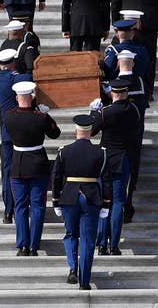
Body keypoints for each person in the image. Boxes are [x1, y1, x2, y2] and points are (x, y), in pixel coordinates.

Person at [51, 114, 111, 290]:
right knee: (87, 240)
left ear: (75, 131)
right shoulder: (101, 153)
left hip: (69, 196)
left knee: (70, 234)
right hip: (91, 197)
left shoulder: (64, 151)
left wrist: (55, 201)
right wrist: (106, 203)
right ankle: (84, 282)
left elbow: (55, 177)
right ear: (91, 132)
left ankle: (72, 268)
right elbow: (106, 180)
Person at [4, 81, 61, 256]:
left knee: (20, 206)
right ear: (33, 96)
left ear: (16, 97)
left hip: (18, 165)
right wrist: (46, 114)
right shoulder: (41, 118)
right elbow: (55, 133)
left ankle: (22, 245)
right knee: (37, 206)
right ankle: (33, 246)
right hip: (38, 165)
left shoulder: (9, 116)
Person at [90, 79, 141, 255]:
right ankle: (114, 245)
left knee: (106, 201)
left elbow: (91, 130)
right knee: (119, 202)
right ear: (126, 93)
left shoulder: (106, 112)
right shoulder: (133, 110)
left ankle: (102, 243)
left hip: (106, 160)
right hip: (124, 158)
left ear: (112, 93)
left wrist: (94, 113)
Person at [0, 48, 32, 224]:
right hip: (20, 133)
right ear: (12, 63)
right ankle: (20, 206)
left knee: (8, 172)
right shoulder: (15, 78)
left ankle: (8, 211)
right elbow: (30, 79)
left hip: (6, 134)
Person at [115, 51, 149, 224]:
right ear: (133, 64)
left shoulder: (112, 82)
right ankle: (126, 209)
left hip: (112, 141)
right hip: (132, 137)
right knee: (129, 176)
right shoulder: (139, 81)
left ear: (117, 63)